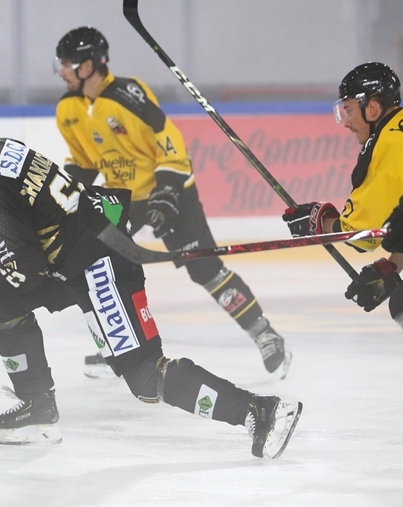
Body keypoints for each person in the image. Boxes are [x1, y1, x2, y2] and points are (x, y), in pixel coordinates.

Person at [0, 104, 302, 458]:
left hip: (98, 261)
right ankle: (37, 408)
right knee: (6, 310)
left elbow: (23, 266)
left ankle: (259, 411)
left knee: (146, 376)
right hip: (77, 249)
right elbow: (9, 231)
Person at [53, 27, 292, 380]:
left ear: (88, 65)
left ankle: (265, 334)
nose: (62, 71)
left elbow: (170, 141)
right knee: (95, 263)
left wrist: (166, 194)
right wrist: (59, 194)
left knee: (205, 269)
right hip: (123, 198)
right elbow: (85, 163)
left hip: (171, 187)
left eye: (68, 64)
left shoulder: (125, 94)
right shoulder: (68, 109)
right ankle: (121, 346)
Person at [282, 61, 403, 448]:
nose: (344, 121)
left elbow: (364, 230)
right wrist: (391, 267)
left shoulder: (393, 140)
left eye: (347, 109)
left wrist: (322, 222)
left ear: (373, 108)